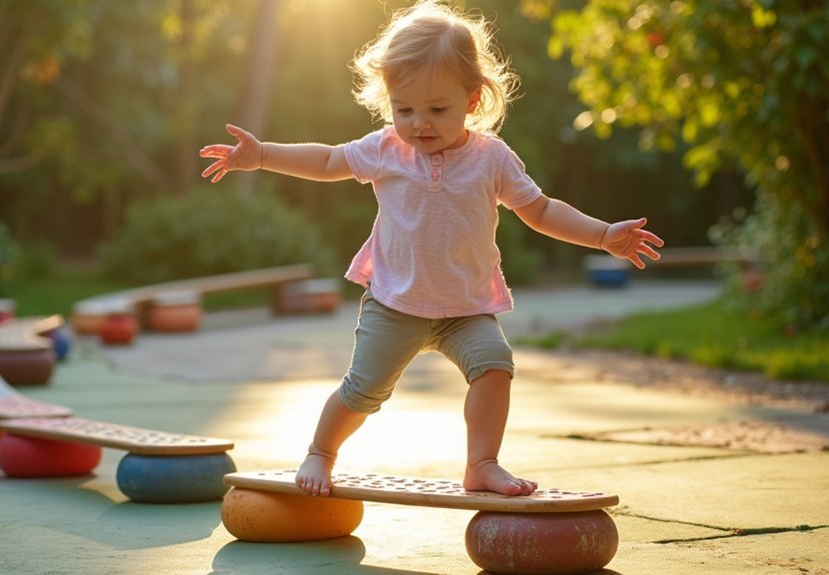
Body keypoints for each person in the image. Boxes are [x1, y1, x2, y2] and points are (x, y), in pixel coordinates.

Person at [199, 1, 663, 498]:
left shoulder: (492, 159)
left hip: (467, 306)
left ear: (473, 97)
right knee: (363, 391)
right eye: (404, 109)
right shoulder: (386, 149)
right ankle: (321, 452)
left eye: (436, 109)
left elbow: (542, 210)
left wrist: (601, 234)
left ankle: (482, 463)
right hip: (395, 302)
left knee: (495, 367)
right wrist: (264, 155)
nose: (419, 123)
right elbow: (330, 160)